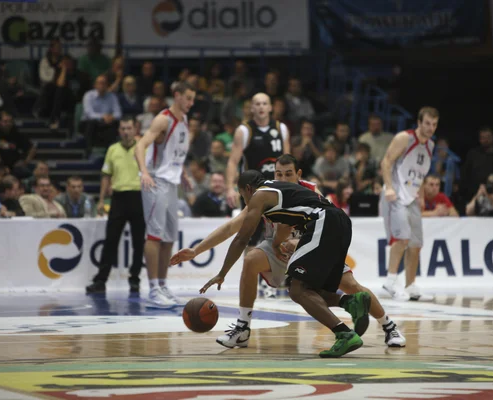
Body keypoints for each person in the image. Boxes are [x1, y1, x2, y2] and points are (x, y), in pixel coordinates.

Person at [171, 155, 405, 350]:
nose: (282, 177)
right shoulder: (264, 194)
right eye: (278, 173)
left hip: (309, 241)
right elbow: (233, 227)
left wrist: (296, 242)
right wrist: (196, 250)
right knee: (252, 259)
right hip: (278, 247)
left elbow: (319, 221)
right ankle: (242, 327)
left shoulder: (308, 190)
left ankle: (387, 325)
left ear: (298, 174)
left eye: (287, 173)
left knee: (346, 283)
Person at [197, 170, 366, 358]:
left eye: (242, 195)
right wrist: (276, 243)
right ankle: (350, 301)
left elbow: (241, 239)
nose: (244, 200)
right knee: (307, 289)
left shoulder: (259, 195)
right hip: (340, 223)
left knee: (297, 290)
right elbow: (286, 225)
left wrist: (222, 273)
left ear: (247, 188)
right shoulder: (278, 189)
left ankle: (344, 333)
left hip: (323, 222)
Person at [134, 81, 196, 308]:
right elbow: (139, 146)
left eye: (192, 99)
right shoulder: (163, 119)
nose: (191, 103)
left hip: (171, 182)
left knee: (169, 237)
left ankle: (162, 285)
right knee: (154, 235)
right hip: (156, 181)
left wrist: (183, 174)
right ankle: (152, 290)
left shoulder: (185, 120)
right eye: (188, 98)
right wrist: (144, 172)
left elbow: (175, 153)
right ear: (177, 95)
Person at [381, 107, 438, 302]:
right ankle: (390, 280)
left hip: (412, 197)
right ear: (419, 123)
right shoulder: (404, 138)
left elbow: (420, 175)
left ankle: (411, 285)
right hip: (395, 194)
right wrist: (389, 188)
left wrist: (421, 196)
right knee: (402, 239)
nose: (431, 128)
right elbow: (386, 162)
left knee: (416, 243)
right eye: (428, 123)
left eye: (434, 124)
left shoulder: (430, 145)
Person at [86, 116, 146, 294]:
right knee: (110, 240)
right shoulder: (113, 149)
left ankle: (134, 279)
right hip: (118, 198)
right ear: (119, 131)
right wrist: (102, 199)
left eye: (129, 128)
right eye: (123, 129)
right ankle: (101, 280)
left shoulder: (143, 147)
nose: (126, 132)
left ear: (135, 129)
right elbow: (106, 175)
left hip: (139, 196)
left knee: (138, 243)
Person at [225, 92, 290, 209]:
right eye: (257, 104)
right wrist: (230, 188)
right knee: (254, 226)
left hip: (277, 187)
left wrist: (292, 185)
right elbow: (233, 162)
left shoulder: (281, 128)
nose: (261, 107)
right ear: (252, 108)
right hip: (252, 189)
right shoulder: (244, 130)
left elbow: (289, 162)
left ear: (270, 107)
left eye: (264, 104)